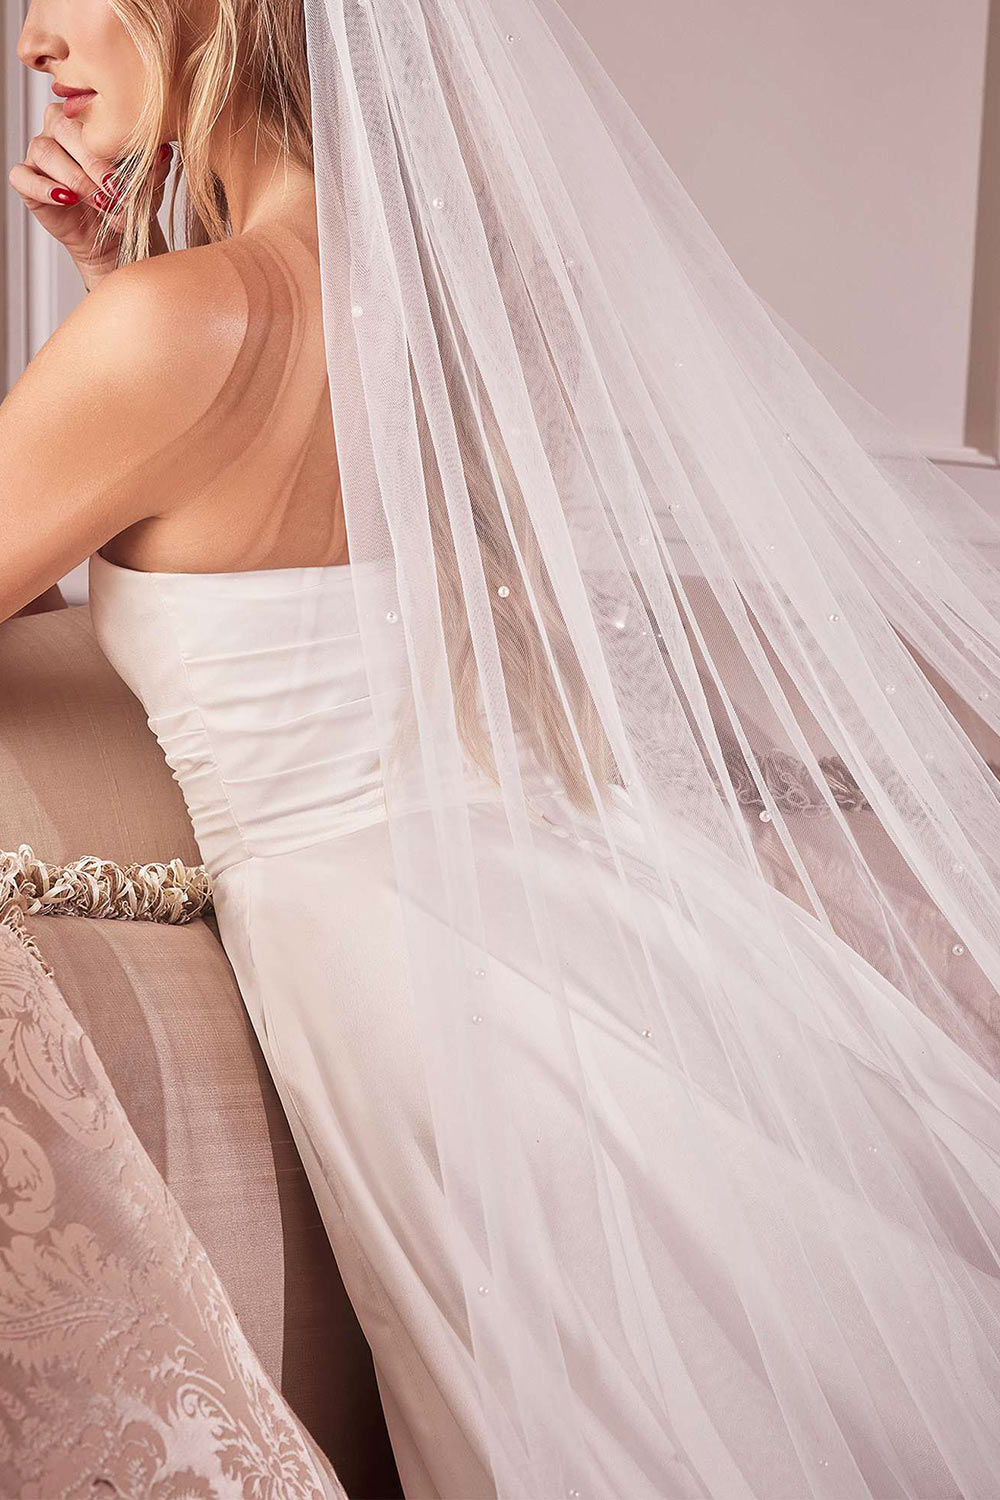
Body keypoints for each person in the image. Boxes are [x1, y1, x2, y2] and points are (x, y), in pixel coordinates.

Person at [5, 1, 1000, 1496]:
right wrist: (122, 281)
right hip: (600, 909)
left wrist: (125, 311)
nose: (34, 36)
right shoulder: (472, 306)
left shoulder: (176, 328)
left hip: (406, 966)